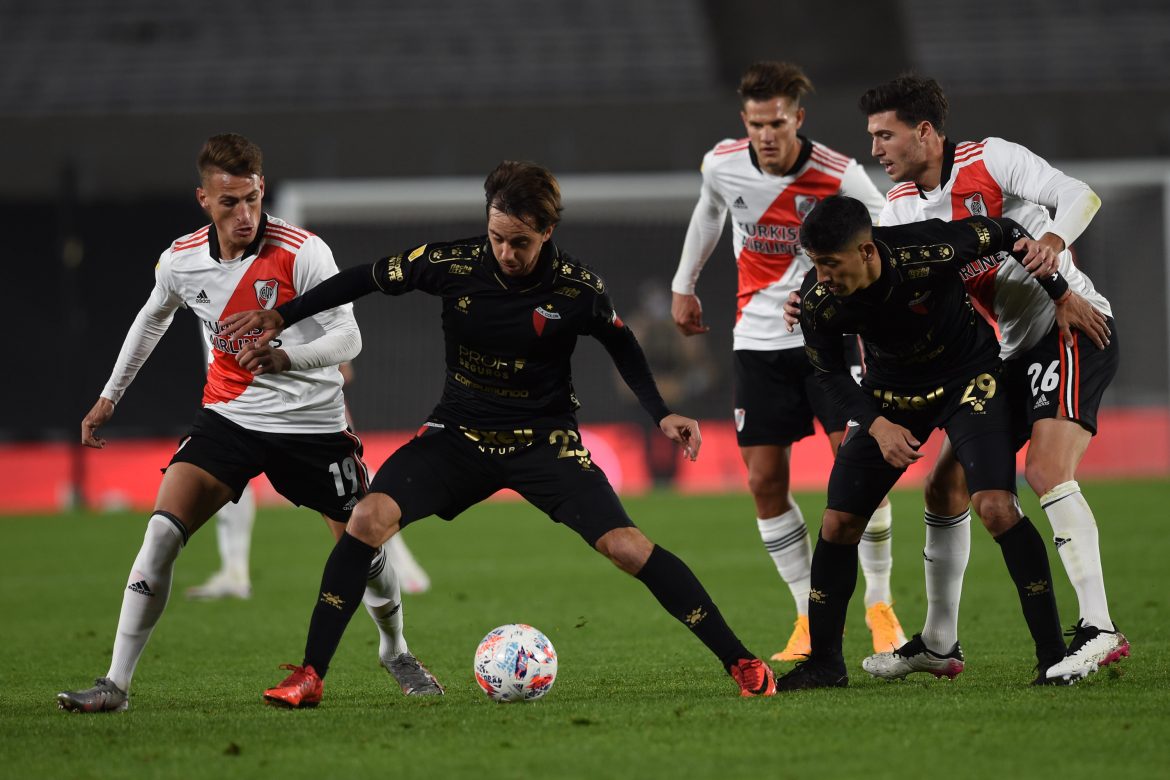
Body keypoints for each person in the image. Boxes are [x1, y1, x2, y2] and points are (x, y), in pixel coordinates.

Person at [222, 160, 778, 705]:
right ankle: (311, 674)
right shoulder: (451, 262)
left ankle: (740, 660)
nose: (506, 253)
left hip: (544, 442)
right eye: (497, 237)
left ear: (547, 232)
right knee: (366, 518)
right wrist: (284, 315)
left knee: (628, 547)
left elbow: (622, 343)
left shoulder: (577, 288)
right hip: (458, 435)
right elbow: (365, 277)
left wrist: (661, 413)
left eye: (520, 242)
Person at [57, 133, 440, 713]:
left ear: (264, 191)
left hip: (313, 426)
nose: (245, 215)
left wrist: (288, 356)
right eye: (230, 202)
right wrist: (111, 396)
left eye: (253, 200)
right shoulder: (181, 259)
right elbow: (151, 319)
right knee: (161, 533)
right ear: (203, 200)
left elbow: (350, 336)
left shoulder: (303, 251)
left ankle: (396, 650)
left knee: (364, 547)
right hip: (229, 420)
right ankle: (115, 684)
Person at [852, 75, 1126, 684]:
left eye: (884, 135)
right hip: (1003, 353)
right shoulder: (898, 207)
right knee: (946, 488)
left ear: (924, 132)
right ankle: (940, 643)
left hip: (1071, 325)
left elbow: (1079, 195)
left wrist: (1054, 239)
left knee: (1048, 472)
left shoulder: (992, 158)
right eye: (872, 136)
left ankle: (1100, 628)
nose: (876, 149)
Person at [773, 195, 1077, 691]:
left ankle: (1052, 657)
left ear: (868, 252)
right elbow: (827, 372)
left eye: (830, 263)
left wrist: (1060, 293)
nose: (822, 275)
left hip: (969, 380)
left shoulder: (930, 248)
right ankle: (826, 663)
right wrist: (877, 426)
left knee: (997, 507)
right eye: (815, 264)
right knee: (838, 521)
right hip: (890, 396)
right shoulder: (818, 298)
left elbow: (1003, 230)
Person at [670, 61, 904, 661]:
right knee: (764, 481)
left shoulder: (840, 174)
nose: (766, 136)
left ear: (798, 118)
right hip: (756, 344)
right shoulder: (722, 164)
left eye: (776, 123)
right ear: (744, 122)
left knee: (860, 471)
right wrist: (684, 284)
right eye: (755, 124)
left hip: (825, 343)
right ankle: (806, 612)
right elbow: (709, 212)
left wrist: (856, 298)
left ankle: (880, 602)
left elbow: (893, 231)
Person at [185, 360, 433, 599]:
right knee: (231, 472)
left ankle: (404, 567)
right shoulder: (216, 320)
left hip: (310, 407)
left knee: (354, 486)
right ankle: (234, 572)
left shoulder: (293, 317)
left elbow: (344, 368)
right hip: (247, 406)